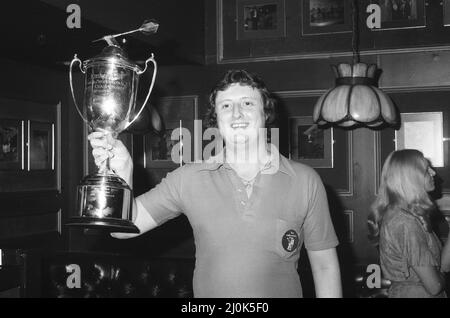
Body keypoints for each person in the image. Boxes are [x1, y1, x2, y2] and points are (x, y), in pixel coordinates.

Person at [88, 69, 342, 298]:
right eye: (226, 106)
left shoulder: (305, 180)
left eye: (247, 103)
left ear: (265, 113)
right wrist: (123, 174)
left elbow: (325, 265)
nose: (237, 113)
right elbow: (122, 229)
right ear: (216, 119)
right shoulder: (188, 178)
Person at [368, 149, 447, 298]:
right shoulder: (404, 222)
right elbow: (434, 286)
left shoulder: (413, 215)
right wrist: (441, 275)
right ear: (410, 178)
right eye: (426, 170)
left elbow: (442, 266)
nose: (434, 173)